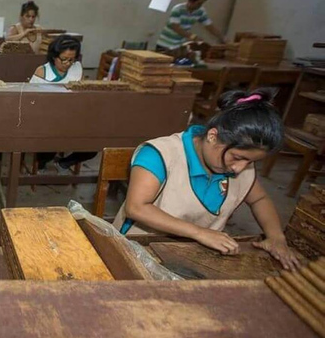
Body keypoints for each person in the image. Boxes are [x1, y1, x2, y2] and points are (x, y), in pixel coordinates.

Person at [115, 89, 301, 271]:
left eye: (251, 161)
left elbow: (260, 199)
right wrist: (199, 232)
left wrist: (276, 237)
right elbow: (137, 207)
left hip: (193, 255)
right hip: (138, 249)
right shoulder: (162, 154)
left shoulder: (237, 165)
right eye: (237, 157)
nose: (240, 168)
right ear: (213, 136)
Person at [31, 35, 95, 173]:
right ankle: (42, 163)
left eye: (71, 59)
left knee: (94, 145)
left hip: (73, 118)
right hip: (47, 120)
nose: (67, 63)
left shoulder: (77, 68)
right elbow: (31, 101)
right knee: (50, 143)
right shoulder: (42, 72)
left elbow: (83, 94)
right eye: (64, 59)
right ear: (54, 56)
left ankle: (64, 163)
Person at [155, 0, 227, 53]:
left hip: (179, 46)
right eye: (198, 3)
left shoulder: (200, 11)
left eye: (201, 4)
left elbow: (210, 27)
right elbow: (176, 27)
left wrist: (223, 38)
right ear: (191, 1)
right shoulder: (177, 9)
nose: (200, 6)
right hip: (164, 44)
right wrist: (193, 37)